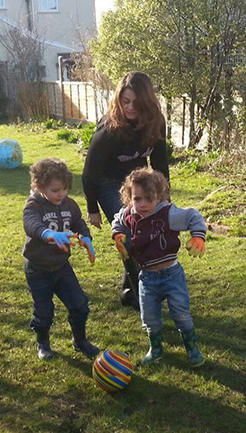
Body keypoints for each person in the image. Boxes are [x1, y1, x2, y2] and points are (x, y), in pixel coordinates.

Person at [82, 71, 170, 310]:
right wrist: (92, 209)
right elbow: (89, 173)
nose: (129, 107)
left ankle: (130, 291)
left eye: (135, 102)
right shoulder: (109, 130)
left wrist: (165, 201)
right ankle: (144, 298)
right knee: (131, 233)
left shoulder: (156, 122)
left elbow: (160, 164)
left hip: (136, 183)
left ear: (147, 101)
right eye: (125, 101)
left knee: (148, 232)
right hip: (107, 183)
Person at [111, 168, 207, 367]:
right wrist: (118, 234)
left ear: (159, 196)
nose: (143, 204)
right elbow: (117, 221)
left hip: (172, 275)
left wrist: (198, 236)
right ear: (129, 198)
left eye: (149, 198)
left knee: (181, 313)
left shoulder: (168, 213)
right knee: (150, 318)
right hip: (146, 278)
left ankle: (192, 348)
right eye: (137, 199)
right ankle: (155, 349)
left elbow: (193, 216)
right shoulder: (129, 214)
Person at [22, 158, 99, 360]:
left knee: (79, 305)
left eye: (65, 189)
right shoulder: (33, 206)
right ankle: (43, 343)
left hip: (61, 267)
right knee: (44, 312)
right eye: (55, 190)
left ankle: (80, 341)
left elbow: (78, 223)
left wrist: (86, 238)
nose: (61, 194)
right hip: (38, 270)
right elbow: (31, 224)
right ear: (39, 186)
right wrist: (48, 233)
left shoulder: (69, 205)